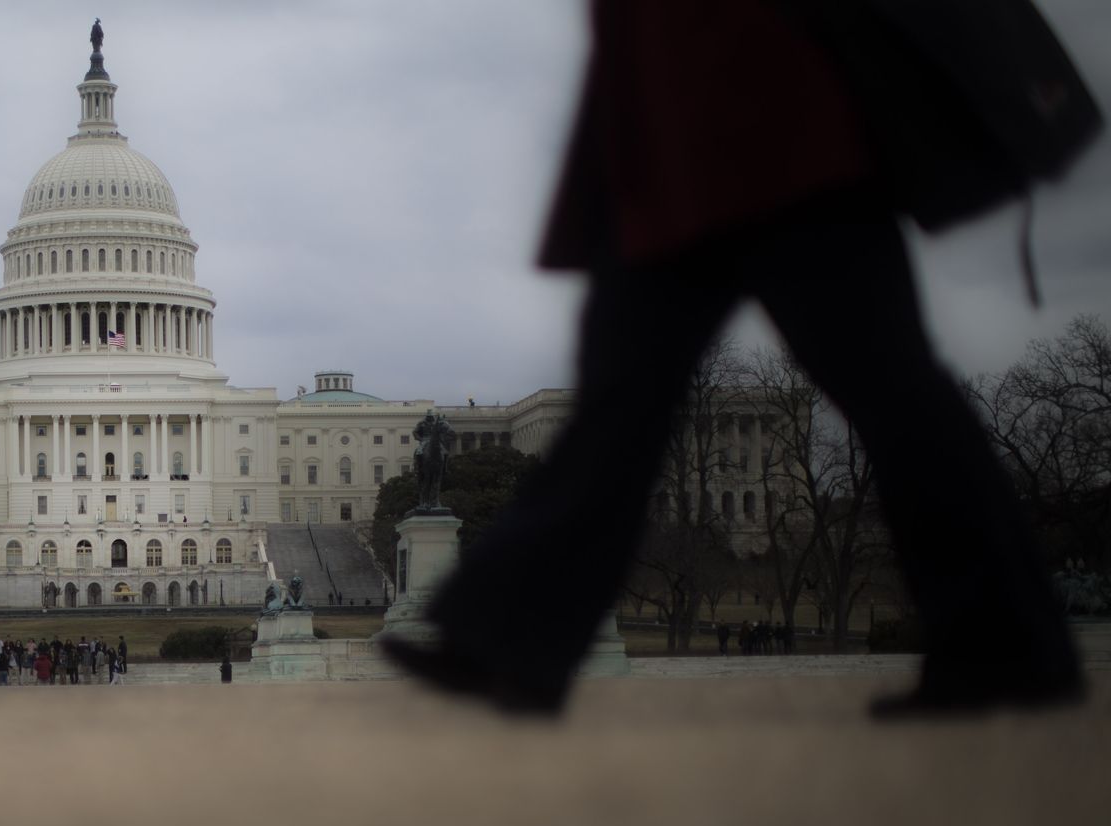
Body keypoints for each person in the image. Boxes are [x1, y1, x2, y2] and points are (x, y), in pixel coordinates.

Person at [383, 0, 1095, 717]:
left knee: (890, 393)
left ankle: (1006, 642)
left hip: (780, 127)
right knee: (624, 407)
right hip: (672, 134)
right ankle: (508, 639)